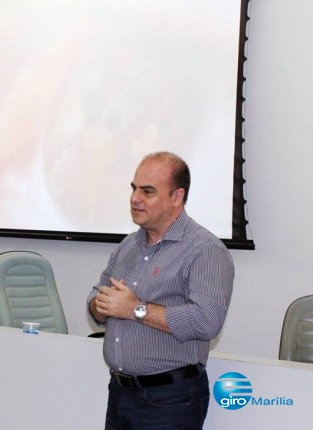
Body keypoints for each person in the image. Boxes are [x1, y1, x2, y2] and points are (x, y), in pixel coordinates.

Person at [87, 151, 234, 430]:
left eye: (148, 191)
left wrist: (133, 309)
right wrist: (101, 306)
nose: (134, 198)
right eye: (133, 188)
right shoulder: (128, 245)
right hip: (120, 393)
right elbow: (95, 301)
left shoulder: (205, 250)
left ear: (177, 197)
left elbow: (206, 321)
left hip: (170, 400)